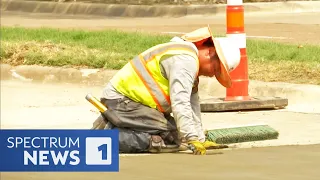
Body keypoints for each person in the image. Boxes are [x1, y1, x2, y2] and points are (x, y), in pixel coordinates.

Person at [91, 25, 241, 155]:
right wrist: (191, 138)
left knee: (179, 135)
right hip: (121, 101)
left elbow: (192, 104)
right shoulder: (185, 60)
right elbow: (180, 103)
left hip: (131, 103)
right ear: (209, 53)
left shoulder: (189, 59)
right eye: (214, 69)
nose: (211, 75)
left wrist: (199, 138)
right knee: (170, 140)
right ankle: (107, 136)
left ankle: (114, 124)